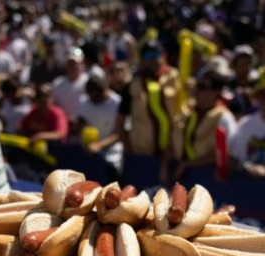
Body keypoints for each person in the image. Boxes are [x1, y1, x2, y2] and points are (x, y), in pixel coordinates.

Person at [117, 40, 184, 184]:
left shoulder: (174, 79)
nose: (153, 59)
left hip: (170, 158)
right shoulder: (132, 85)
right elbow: (120, 123)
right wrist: (129, 152)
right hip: (140, 158)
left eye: (157, 54)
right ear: (141, 60)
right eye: (148, 56)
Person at [173, 70, 237, 180]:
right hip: (181, 175)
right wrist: (164, 165)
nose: (196, 91)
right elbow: (174, 140)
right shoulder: (189, 111)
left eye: (203, 87)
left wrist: (189, 164)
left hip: (208, 178)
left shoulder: (224, 117)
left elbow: (228, 155)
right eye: (197, 85)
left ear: (216, 92)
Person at [75, 75, 123, 180]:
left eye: (95, 94)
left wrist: (99, 145)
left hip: (112, 157)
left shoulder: (118, 103)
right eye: (90, 94)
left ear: (105, 90)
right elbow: (81, 124)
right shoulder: (84, 102)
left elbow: (121, 133)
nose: (92, 98)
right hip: (88, 154)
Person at [52, 48, 88, 129]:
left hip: (83, 127)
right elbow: (54, 106)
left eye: (75, 63)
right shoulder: (57, 83)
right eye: (70, 63)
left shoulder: (88, 82)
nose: (72, 66)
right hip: (62, 127)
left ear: (81, 64)